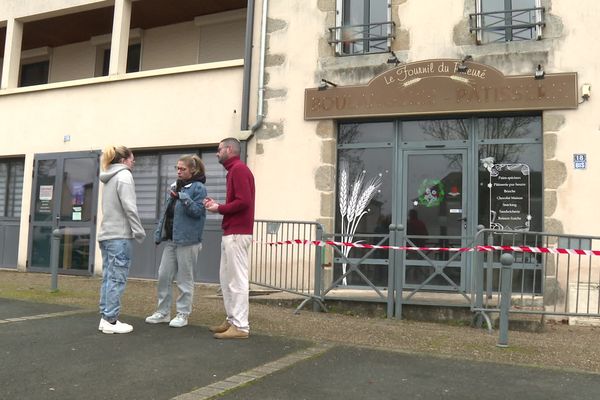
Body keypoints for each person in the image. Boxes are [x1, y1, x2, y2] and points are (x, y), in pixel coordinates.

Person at [145, 155, 207, 328]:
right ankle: (163, 312)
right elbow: (168, 213)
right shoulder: (175, 187)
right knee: (163, 275)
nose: (179, 171)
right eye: (177, 168)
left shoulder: (199, 188)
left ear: (192, 170)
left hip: (188, 241)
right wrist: (159, 232)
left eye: (183, 169)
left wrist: (183, 197)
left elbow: (197, 212)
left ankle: (183, 314)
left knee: (184, 279)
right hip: (172, 240)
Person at [204, 138, 255, 340]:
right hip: (232, 232)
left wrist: (219, 208)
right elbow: (239, 201)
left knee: (237, 280)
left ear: (229, 149)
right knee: (226, 279)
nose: (217, 153)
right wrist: (220, 206)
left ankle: (241, 326)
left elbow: (244, 202)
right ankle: (233, 320)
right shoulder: (235, 170)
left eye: (219, 150)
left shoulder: (239, 170)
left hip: (237, 233)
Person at [97, 145, 146, 334]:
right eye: (132, 159)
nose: (134, 162)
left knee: (109, 277)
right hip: (120, 236)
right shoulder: (124, 176)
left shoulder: (107, 177)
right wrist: (139, 231)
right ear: (124, 160)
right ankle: (110, 319)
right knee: (117, 279)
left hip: (107, 235)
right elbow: (130, 207)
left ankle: (105, 317)